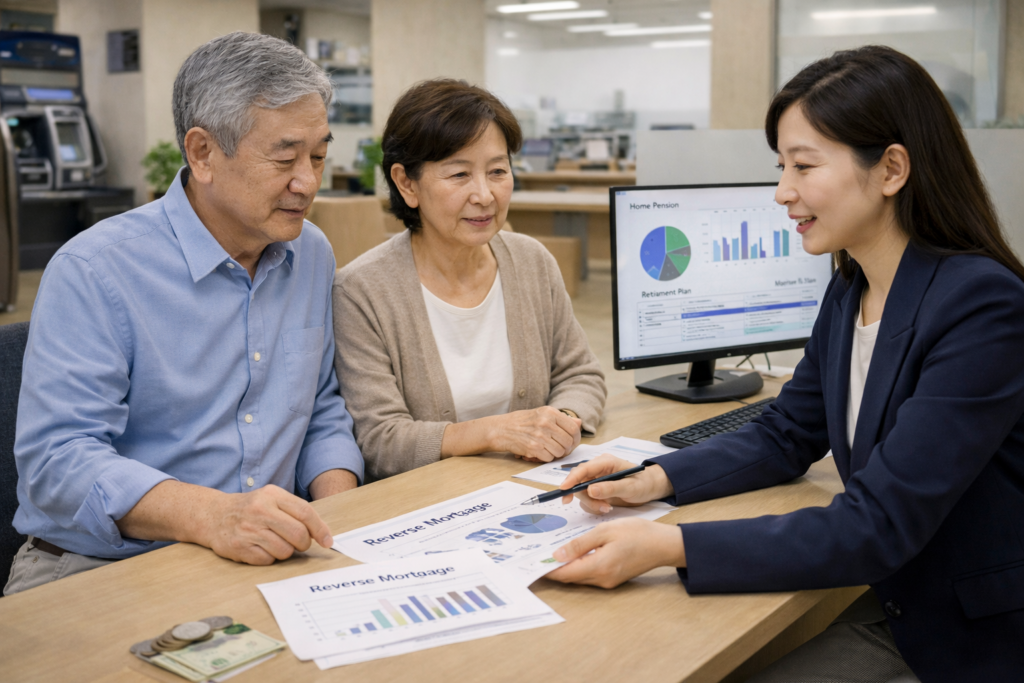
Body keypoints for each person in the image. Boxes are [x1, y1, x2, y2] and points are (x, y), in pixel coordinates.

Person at [546, 46, 1024, 681]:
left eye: (803, 166)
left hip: (962, 634)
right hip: (894, 593)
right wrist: (654, 480)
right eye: (781, 166)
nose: (782, 192)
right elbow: (787, 433)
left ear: (891, 169)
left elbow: (878, 525)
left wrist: (667, 545)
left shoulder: (983, 306)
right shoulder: (852, 286)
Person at [6, 32, 364, 595]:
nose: (309, 182)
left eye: (319, 156)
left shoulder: (310, 252)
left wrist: (346, 517)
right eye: (285, 158)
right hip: (100, 565)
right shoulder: (96, 270)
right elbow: (58, 463)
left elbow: (320, 408)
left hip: (261, 555)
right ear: (202, 154)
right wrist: (215, 516)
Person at [333, 79, 606, 481]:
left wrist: (558, 424)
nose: (484, 194)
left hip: (531, 485)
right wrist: (495, 432)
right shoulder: (362, 291)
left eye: (497, 171)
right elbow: (380, 439)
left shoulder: (532, 262)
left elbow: (580, 374)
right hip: (427, 506)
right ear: (407, 183)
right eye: (459, 174)